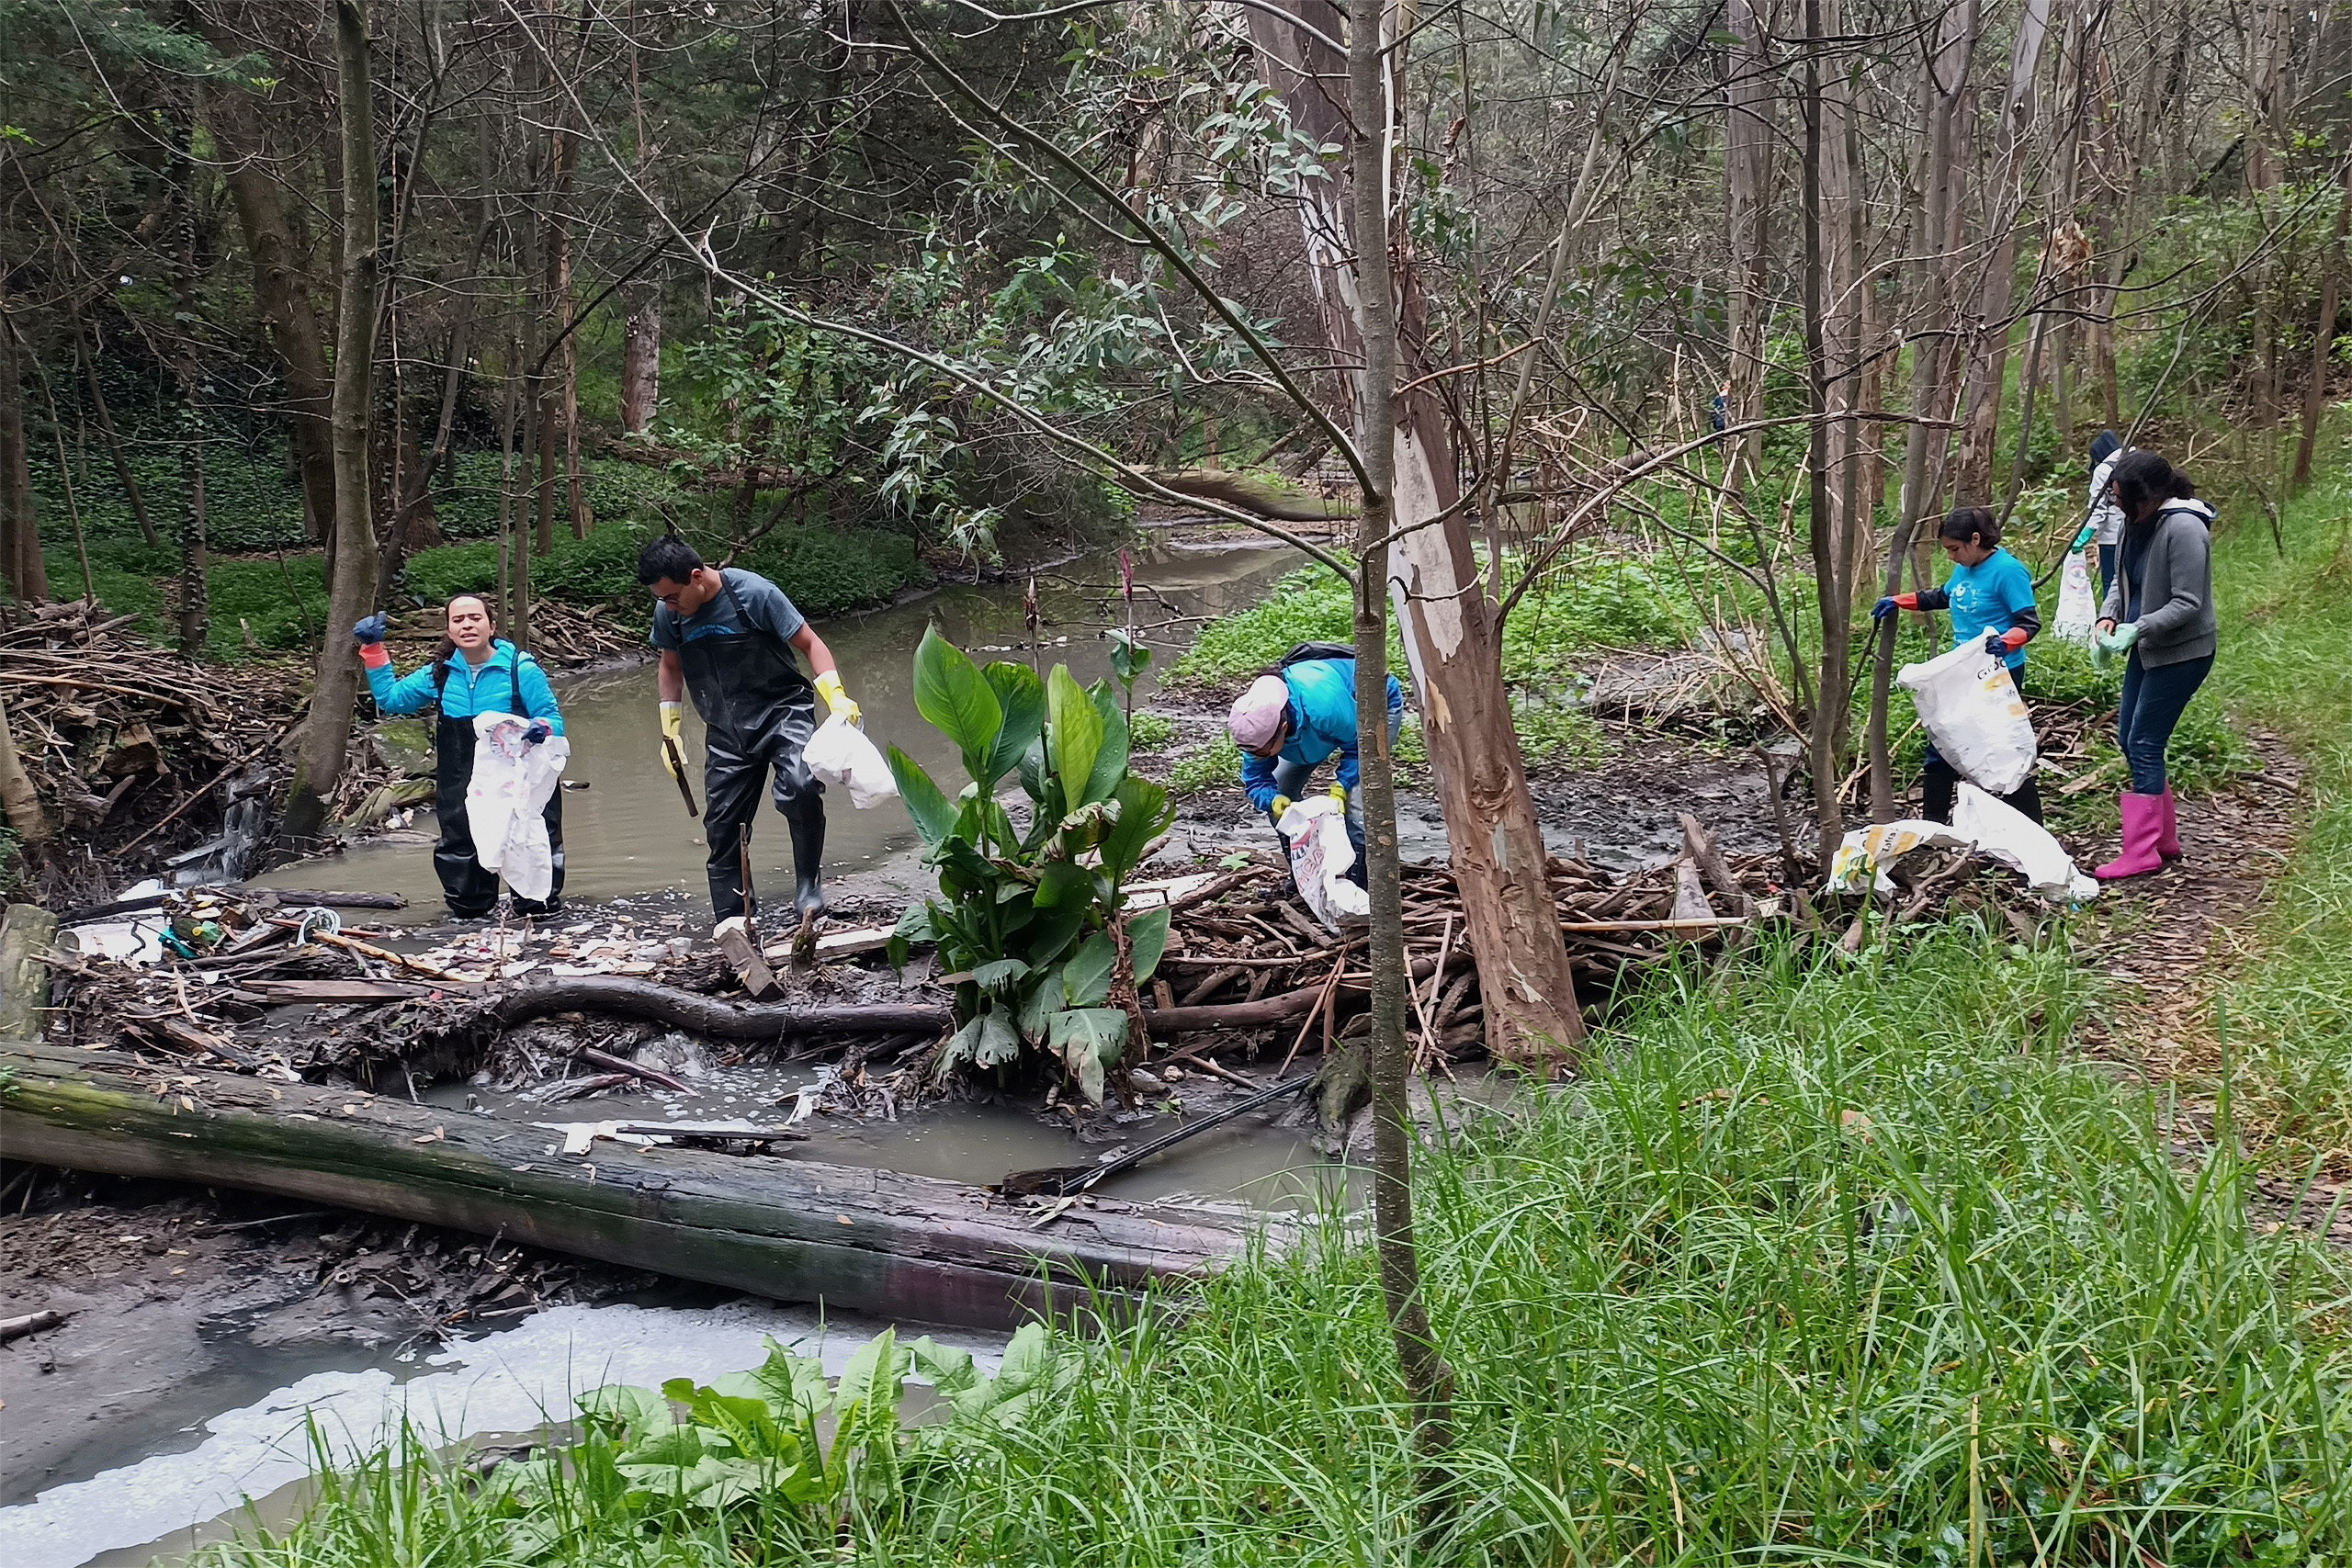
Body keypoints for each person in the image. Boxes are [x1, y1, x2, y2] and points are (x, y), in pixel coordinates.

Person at [638, 536, 860, 931]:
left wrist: (837, 697)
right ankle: (733, 917)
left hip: (781, 712)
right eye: (662, 599)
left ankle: (808, 885)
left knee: (801, 786)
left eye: (672, 596)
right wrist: (669, 729)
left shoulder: (754, 594)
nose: (668, 605)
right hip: (725, 728)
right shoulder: (668, 613)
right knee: (722, 826)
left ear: (695, 577)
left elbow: (810, 643)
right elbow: (671, 667)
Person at [354, 596, 565, 919]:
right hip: (460, 768)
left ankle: (538, 908)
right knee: (459, 835)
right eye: (458, 620)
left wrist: (541, 728)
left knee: (530, 832)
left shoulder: (519, 669)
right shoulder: (439, 674)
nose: (467, 624)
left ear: (491, 626)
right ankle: (470, 913)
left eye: (475, 618)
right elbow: (391, 699)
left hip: (517, 769)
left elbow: (551, 717)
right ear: (450, 631)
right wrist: (373, 649)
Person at [1871, 506, 2045, 824]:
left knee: (2001, 750)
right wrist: (1898, 600)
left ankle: (2035, 830)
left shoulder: (2008, 571)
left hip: (1997, 675)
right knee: (1941, 747)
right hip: (1960, 675)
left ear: (1975, 540)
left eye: (1954, 549)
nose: (1950, 556)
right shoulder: (1964, 569)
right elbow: (1942, 597)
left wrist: (2005, 643)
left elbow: (2029, 623)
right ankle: (1932, 829)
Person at [2091, 450, 2216, 880]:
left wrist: (2137, 628)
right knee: (2129, 737)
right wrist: (2109, 617)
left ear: (2149, 494)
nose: (2119, 506)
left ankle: (2142, 852)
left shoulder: (2185, 528)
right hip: (2146, 646)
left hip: (2184, 652)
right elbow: (2120, 580)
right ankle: (2164, 839)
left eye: (2124, 498)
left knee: (2145, 742)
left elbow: (2188, 602)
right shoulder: (2135, 522)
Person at [1228, 646, 1406, 888]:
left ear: (1281, 730)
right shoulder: (1256, 725)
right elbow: (1256, 778)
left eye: (1263, 751)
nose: (1258, 756)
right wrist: (1272, 800)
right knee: (1281, 793)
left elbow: (1359, 746)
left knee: (1356, 807)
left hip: (1372, 710)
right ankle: (1304, 877)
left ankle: (1365, 887)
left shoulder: (1324, 706)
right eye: (1253, 752)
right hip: (1313, 732)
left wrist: (1342, 784)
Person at [2086, 430, 2127, 604]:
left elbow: (2098, 507)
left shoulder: (2103, 469)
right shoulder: (2136, 460)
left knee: (2111, 581)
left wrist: (2087, 532)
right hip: (2142, 530)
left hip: (2111, 536)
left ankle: (2110, 620)